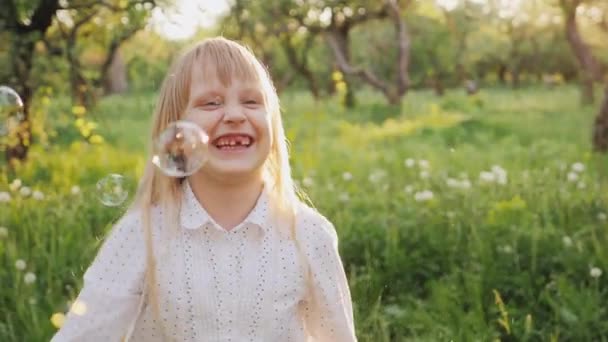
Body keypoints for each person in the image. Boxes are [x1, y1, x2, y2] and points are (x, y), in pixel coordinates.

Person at [51, 37, 357, 342]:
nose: (235, 115)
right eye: (211, 103)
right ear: (177, 131)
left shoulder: (309, 235)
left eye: (252, 101)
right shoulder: (141, 234)